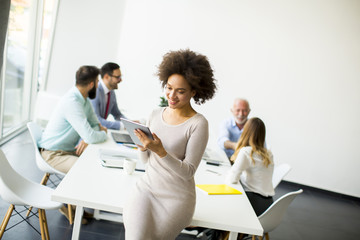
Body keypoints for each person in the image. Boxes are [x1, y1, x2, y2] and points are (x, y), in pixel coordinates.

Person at [123, 49, 217, 240]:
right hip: (146, 189)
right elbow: (147, 162)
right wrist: (143, 147)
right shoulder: (155, 114)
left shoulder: (198, 124)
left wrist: (161, 151)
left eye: (180, 91)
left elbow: (188, 171)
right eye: (168, 87)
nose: (172, 95)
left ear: (194, 91)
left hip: (176, 200)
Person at [38, 65, 108, 174]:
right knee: (89, 169)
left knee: (100, 163)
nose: (98, 85)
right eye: (97, 82)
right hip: (53, 154)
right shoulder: (72, 102)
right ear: (91, 84)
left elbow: (95, 124)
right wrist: (103, 133)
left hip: (69, 151)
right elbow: (92, 134)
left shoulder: (84, 100)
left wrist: (87, 139)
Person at [226, 117, 274, 216]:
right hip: (268, 206)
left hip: (252, 203)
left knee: (225, 200)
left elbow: (231, 179)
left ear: (245, 132)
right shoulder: (269, 154)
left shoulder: (246, 151)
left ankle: (205, 228)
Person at [90, 62, 127, 130]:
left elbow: (117, 114)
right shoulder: (95, 91)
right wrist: (121, 125)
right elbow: (96, 120)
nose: (120, 80)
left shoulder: (111, 92)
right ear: (106, 77)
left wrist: (129, 123)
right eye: (118, 77)